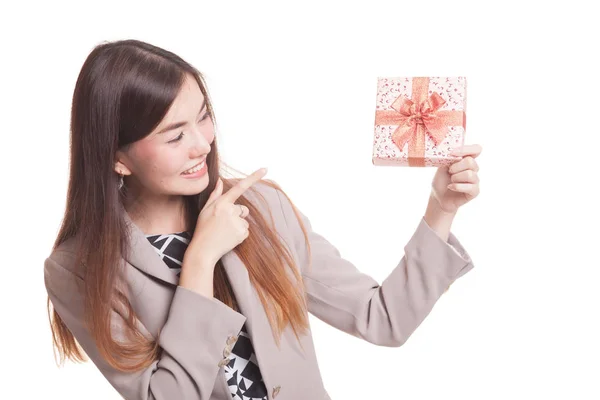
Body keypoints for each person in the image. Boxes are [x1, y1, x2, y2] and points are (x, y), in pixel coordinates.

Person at [44, 39, 482, 400]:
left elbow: (382, 319)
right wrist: (199, 261)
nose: (201, 145)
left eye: (203, 118)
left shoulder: (263, 209)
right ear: (117, 158)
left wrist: (441, 208)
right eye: (175, 134)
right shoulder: (78, 268)